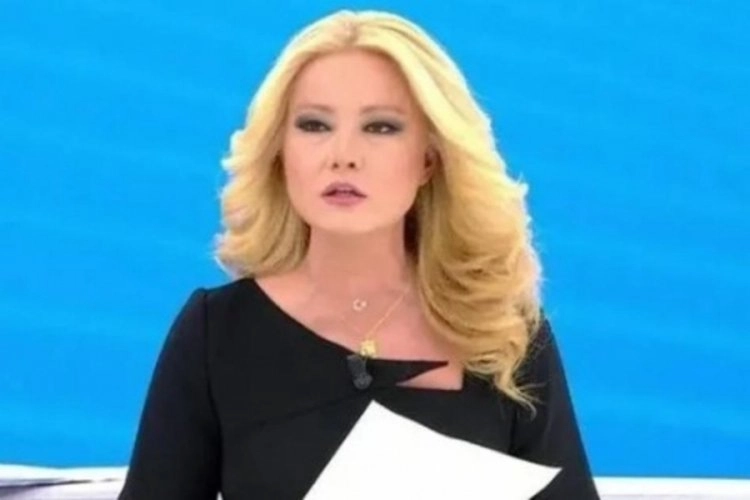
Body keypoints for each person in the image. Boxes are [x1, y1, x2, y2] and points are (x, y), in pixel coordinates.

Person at [119, 9, 600, 500]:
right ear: (280, 152)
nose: (343, 155)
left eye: (381, 127)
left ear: (429, 159)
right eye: (314, 125)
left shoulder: (503, 333)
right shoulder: (216, 334)